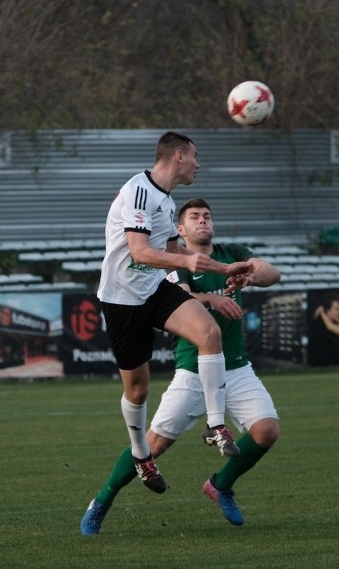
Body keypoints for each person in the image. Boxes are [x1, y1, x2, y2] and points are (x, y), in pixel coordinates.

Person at [82, 197, 282, 535]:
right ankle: (102, 500)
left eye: (207, 215)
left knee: (267, 430)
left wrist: (252, 275)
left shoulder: (232, 250)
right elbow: (183, 297)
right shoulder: (177, 262)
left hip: (235, 368)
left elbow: (272, 273)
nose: (203, 220)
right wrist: (212, 298)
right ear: (180, 229)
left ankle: (220, 485)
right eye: (194, 216)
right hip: (193, 371)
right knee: (152, 446)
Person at [97, 132, 255, 493]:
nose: (199, 165)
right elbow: (139, 252)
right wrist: (191, 260)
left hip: (154, 290)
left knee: (208, 333)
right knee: (137, 390)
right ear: (179, 156)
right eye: (195, 157)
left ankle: (216, 425)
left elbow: (169, 250)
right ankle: (141, 455)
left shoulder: (167, 201)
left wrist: (221, 270)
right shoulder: (139, 189)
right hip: (122, 300)